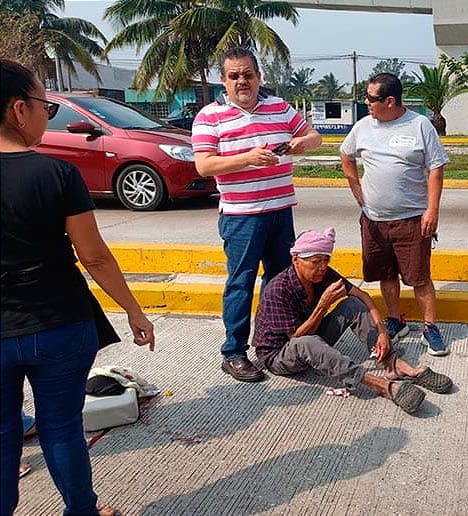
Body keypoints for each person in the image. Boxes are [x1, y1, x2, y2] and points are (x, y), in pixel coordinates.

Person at [1, 59, 156, 516]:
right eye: (44, 106)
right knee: (62, 428)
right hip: (58, 325)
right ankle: (81, 510)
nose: (47, 116)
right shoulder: (57, 175)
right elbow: (94, 256)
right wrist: (133, 311)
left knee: (4, 434)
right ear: (18, 109)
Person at [192, 47, 322, 382]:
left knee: (280, 282)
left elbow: (314, 135)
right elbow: (204, 165)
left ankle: (273, 343)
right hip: (241, 216)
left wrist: (301, 144)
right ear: (224, 81)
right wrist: (247, 158)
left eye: (247, 74)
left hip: (281, 212)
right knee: (241, 283)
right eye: (234, 76)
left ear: (258, 76)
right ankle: (234, 352)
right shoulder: (209, 117)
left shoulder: (279, 107)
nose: (242, 81)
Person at [251, 228, 453, 415]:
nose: (322, 267)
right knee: (308, 342)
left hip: (308, 337)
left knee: (352, 305)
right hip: (279, 354)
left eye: (325, 260)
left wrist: (382, 333)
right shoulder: (278, 290)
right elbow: (296, 337)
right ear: (296, 260)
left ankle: (392, 364)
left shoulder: (323, 275)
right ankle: (380, 385)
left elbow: (363, 295)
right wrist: (323, 305)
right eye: (315, 262)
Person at [339, 73, 451, 356]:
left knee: (419, 277)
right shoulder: (363, 126)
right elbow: (346, 154)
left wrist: (432, 210)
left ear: (390, 101)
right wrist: (355, 186)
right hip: (374, 220)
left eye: (371, 99)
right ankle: (396, 320)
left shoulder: (420, 125)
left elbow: (436, 168)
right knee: (385, 274)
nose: (366, 104)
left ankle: (430, 327)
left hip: (412, 219)